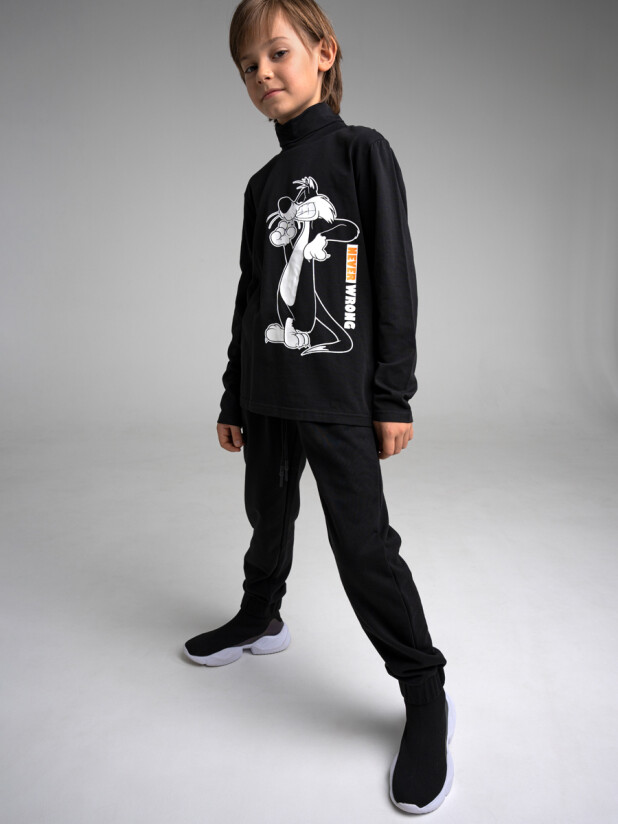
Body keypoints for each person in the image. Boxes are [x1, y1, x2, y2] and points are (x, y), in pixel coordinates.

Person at [184, 0, 454, 814]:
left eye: (277, 53)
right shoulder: (260, 185)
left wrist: (392, 393)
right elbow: (250, 295)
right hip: (267, 394)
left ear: (324, 52)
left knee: (362, 547)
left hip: (338, 396)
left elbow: (394, 274)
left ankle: (423, 689)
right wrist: (234, 392)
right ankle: (259, 619)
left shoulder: (361, 151)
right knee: (266, 517)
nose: (262, 73)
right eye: (247, 66)